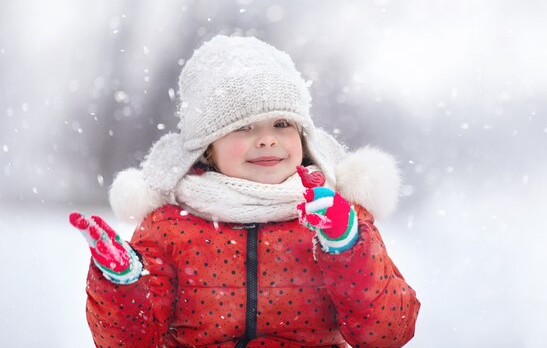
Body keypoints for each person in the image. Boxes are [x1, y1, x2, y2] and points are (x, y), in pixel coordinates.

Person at [70, 35, 420, 348]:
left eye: (282, 124)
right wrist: (120, 284)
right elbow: (133, 342)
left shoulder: (338, 218)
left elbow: (389, 333)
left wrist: (346, 248)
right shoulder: (169, 228)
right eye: (244, 127)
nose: (267, 139)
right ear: (207, 147)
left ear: (302, 137)